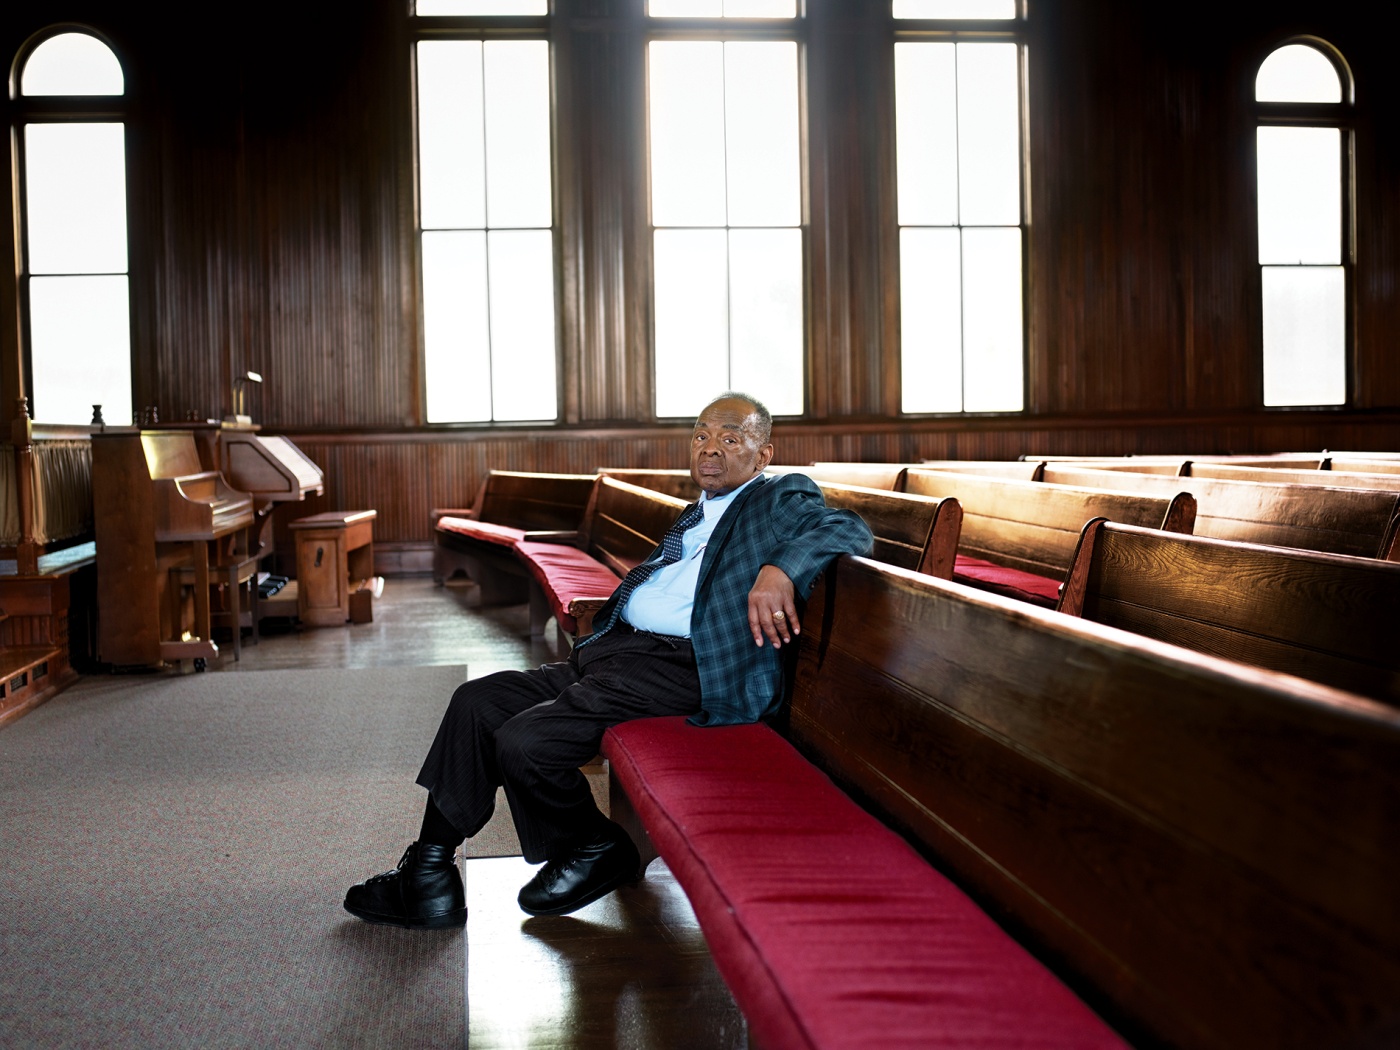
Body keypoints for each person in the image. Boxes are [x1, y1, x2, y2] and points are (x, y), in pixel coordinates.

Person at [343, 393, 874, 928]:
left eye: (731, 439)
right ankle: (428, 876)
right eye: (701, 435)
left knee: (527, 741)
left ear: (762, 456)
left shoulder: (778, 495)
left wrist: (780, 569)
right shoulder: (698, 512)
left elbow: (850, 529)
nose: (710, 449)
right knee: (478, 701)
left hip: (687, 667)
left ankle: (595, 845)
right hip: (619, 653)